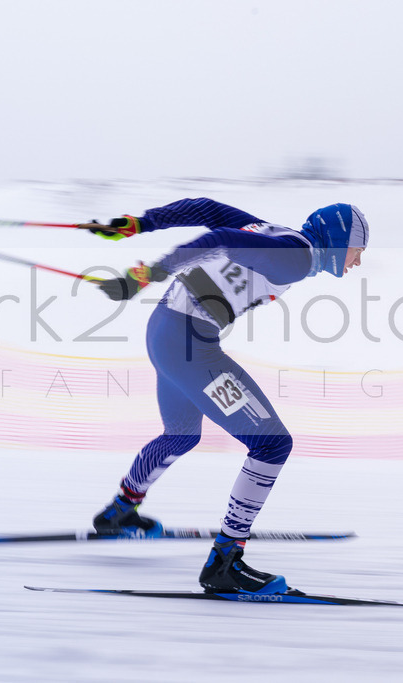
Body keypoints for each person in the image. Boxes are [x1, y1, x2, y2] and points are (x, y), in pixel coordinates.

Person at [78, 197, 369, 595]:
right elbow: (219, 238)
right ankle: (225, 562)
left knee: (181, 434)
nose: (356, 262)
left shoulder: (277, 236)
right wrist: (149, 273)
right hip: (190, 345)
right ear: (339, 241)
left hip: (165, 332)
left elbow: (207, 210)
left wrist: (140, 223)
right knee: (272, 445)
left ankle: (119, 513)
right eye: (357, 250)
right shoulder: (297, 256)